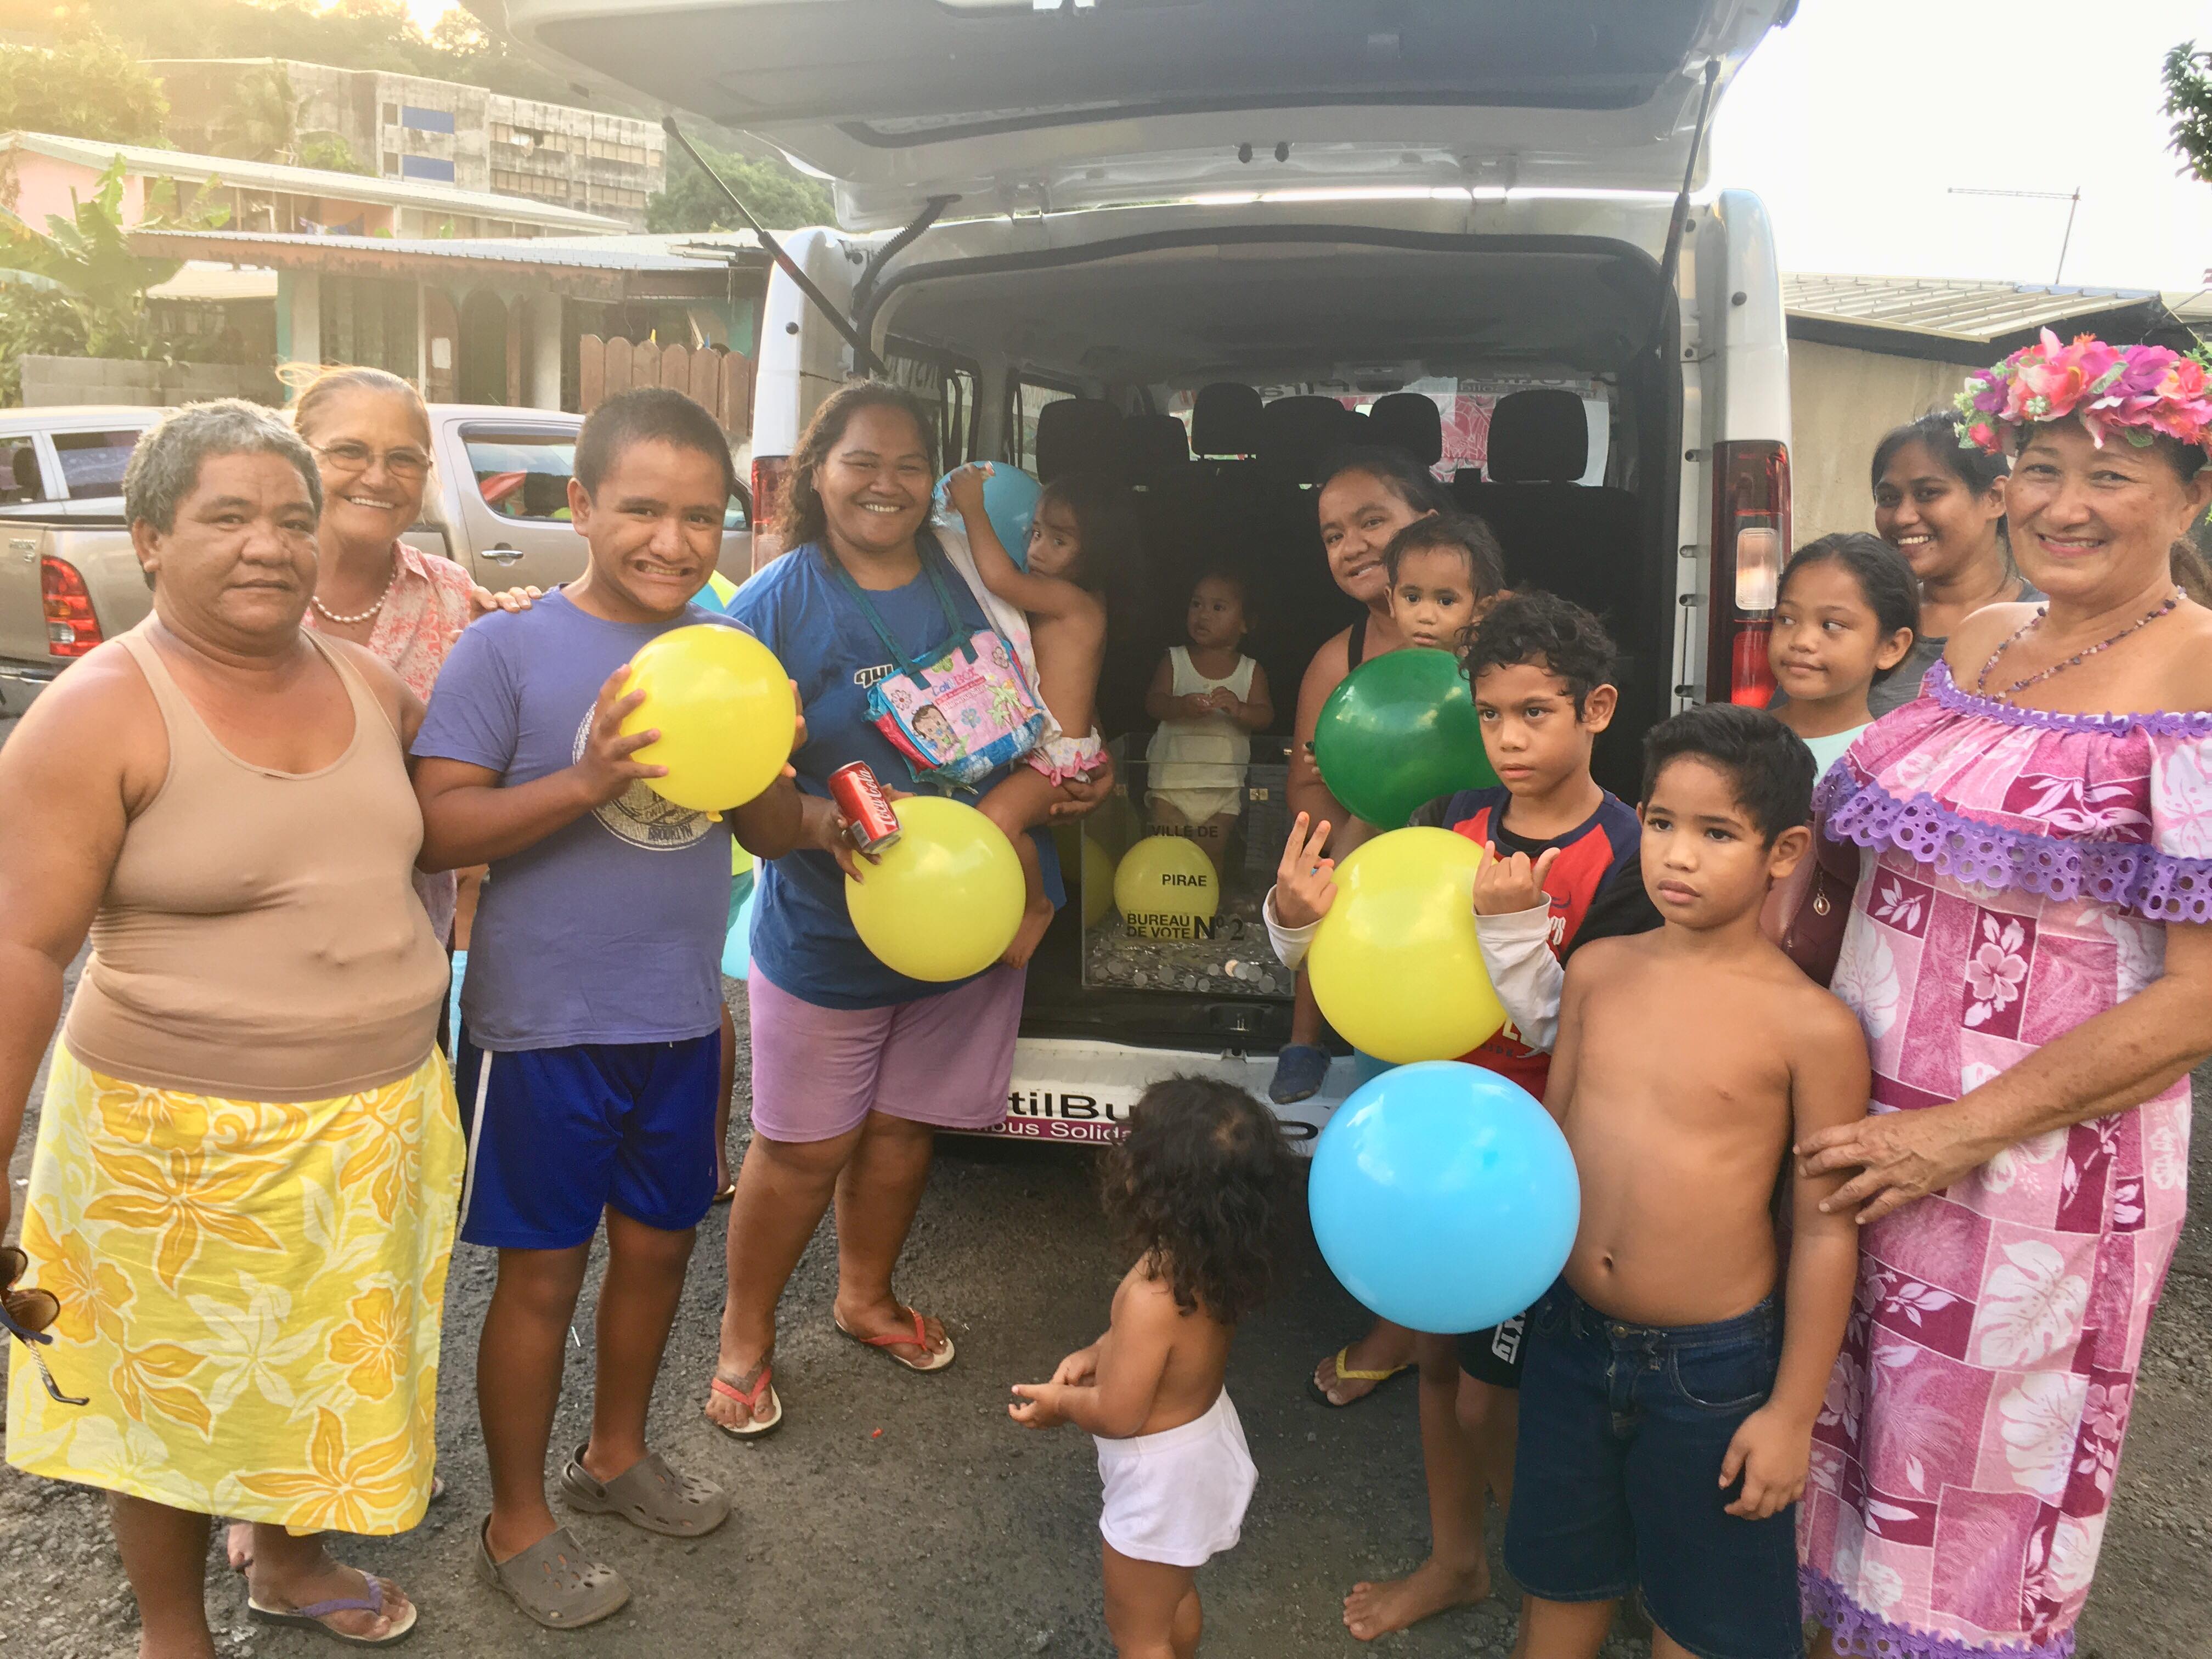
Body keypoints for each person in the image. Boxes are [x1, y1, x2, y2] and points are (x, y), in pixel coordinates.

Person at [0, 400, 459, 1650]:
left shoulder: (367, 685)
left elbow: (454, 823)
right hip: (169, 1150)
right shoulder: (97, 711)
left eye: (293, 521)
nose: (271, 545)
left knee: (319, 1375)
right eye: (229, 517)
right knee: (162, 1408)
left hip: (372, 1127)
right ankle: (170, 1628)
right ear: (151, 539)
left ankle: (293, 1564)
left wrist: (598, 759)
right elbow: (22, 949)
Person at [1797, 333, 2212, 1658]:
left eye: (2117, 472)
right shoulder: (1978, 636)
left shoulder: (2200, 674)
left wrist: (1955, 1135)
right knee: (1834, 1443)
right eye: (2042, 466)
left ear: (2193, 495)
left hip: (2030, 1191)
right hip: (1859, 1139)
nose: (2066, 503)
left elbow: (2196, 1002)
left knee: (1967, 1516)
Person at [412, 388, 809, 1629]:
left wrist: (773, 759)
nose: (674, 540)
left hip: (683, 1021)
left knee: (660, 1250)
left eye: (703, 517)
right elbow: (438, 823)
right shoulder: (508, 651)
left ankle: (616, 1456)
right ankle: (515, 1519)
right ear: (579, 507)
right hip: (540, 1031)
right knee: (539, 1280)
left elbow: (773, 835)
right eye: (642, 507)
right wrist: (590, 779)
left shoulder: (728, 650)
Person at [706, 382, 1111, 1441]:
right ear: (813, 475)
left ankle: (864, 1297)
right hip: (834, 929)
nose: (884, 483)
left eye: (906, 463)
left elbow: (1049, 724)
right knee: (800, 1146)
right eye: (859, 461)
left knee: (901, 1131)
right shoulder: (776, 604)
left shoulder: (975, 576)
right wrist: (813, 824)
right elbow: (734, 775)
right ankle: (743, 1339)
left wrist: (1057, 788)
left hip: (972, 922)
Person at [1267, 593, 1661, 1641]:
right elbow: (1371, 967)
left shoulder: (1628, 852)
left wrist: (1513, 931)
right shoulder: (1450, 823)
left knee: (1503, 1398)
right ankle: (1455, 1562)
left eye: (1536, 712)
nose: (1510, 739)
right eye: (1491, 715)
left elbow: (1571, 1029)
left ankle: (1559, 1573)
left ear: (1598, 709)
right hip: (1431, 1140)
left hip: (1537, 1160)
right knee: (1439, 1369)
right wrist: (1293, 925)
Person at [1505, 704, 1867, 1659]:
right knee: (1557, 1589)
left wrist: (1791, 1412)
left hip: (1711, 1371)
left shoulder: (1811, 1026)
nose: (1677, 854)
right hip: (1570, 1337)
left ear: (1785, 848)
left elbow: (1826, 1230)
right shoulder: (1595, 969)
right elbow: (1551, 1144)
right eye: (1661, 822)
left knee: (1700, 1624)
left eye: (1716, 832)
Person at [1008, 1077, 1296, 1659]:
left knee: (1137, 1633)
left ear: (1154, 1181)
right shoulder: (1212, 1259)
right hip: (1201, 1445)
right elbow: (1164, 1352)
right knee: (1170, 1597)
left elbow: (1117, 1413)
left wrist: (1061, 1404)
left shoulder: (1152, 1294)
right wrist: (1099, 1352)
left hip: (1160, 1479)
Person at [1274, 448, 1458, 1120]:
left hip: (1480, 850)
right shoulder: (1338, 660)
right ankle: (1307, 1034)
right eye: (1332, 535)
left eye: (1372, 521)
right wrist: (1356, 791)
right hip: (1375, 850)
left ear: (1428, 524)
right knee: (1318, 863)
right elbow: (1304, 789)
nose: (1352, 546)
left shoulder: (1498, 630)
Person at [945, 462, 1122, 959]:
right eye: (1037, 533)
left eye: (1060, 542)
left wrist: (973, 509)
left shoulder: (1071, 601)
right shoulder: (1068, 600)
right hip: (1048, 747)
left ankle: (1035, 905)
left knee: (996, 822)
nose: (1038, 550)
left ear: (1094, 554)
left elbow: (999, 577)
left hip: (1060, 759)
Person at [1869, 411, 2039, 716]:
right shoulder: (1869, 618)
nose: (1902, 517)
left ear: (1995, 497)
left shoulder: (2052, 623)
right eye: (1889, 498)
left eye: (1928, 493)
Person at [1143, 570, 1273, 874]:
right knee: (1169, 855)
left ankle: (1206, 916)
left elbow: (1265, 716)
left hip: (1223, 788)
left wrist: (1239, 709)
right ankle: (1168, 908)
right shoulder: (1175, 660)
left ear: (1245, 623)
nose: (1203, 615)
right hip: (1171, 786)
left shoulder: (1250, 671)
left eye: (1218, 608)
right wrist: (1181, 706)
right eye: (1196, 604)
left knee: (1211, 856)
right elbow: (1153, 704)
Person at [1766, 533, 1919, 774]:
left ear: (1892, 647)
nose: (1801, 641)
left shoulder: (1888, 768)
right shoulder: (1732, 740)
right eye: (1787, 619)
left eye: (1832, 625)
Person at [1383, 512, 1508, 652]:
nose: (1425, 617)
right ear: (1391, 601)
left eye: (1446, 601)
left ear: (1481, 610)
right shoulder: (1386, 670)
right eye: (1412, 598)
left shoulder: (1492, 671)